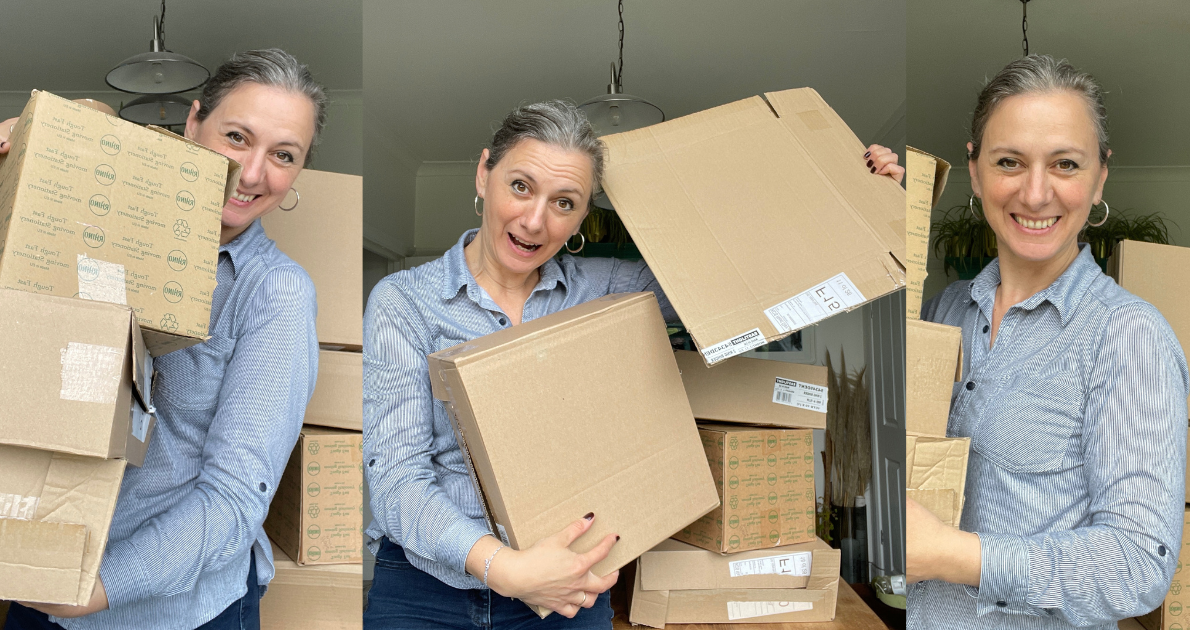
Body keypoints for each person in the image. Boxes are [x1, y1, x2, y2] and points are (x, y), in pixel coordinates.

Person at [361, 98, 902, 628]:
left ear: (581, 219)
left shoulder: (611, 288)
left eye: (564, 202)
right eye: (520, 186)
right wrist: (507, 569)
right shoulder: (405, 302)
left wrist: (847, 190)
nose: (534, 220)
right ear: (484, 174)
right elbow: (397, 478)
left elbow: (737, 268)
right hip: (426, 595)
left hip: (571, 593)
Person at [2, 48, 327, 630]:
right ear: (192, 123)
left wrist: (98, 589)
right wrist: (35, 148)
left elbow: (233, 497)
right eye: (236, 136)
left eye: (283, 155)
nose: (252, 174)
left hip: (168, 611)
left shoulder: (275, 294)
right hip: (38, 577)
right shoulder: (106, 229)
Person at [906, 55, 1189, 629]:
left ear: (1100, 175)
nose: (1036, 194)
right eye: (1009, 161)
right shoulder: (944, 310)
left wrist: (954, 556)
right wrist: (880, 203)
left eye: (1064, 163)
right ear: (976, 170)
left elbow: (1139, 564)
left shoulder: (1128, 335)